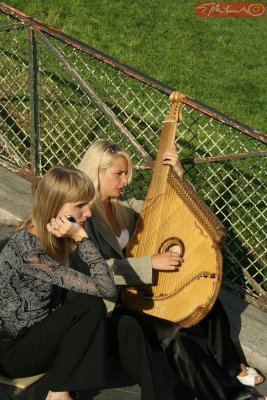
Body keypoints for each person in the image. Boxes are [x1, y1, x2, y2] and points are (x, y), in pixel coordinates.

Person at [77, 139, 266, 400]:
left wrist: (178, 175)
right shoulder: (84, 216)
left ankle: (233, 367)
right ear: (97, 171)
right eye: (119, 174)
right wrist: (151, 263)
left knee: (204, 294)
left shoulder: (123, 207)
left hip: (139, 290)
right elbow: (95, 272)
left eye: (127, 174)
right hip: (113, 304)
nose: (126, 180)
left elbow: (171, 208)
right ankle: (233, 395)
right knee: (173, 334)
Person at [0, 165, 181, 400]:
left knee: (126, 327)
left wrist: (77, 239)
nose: (88, 212)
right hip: (15, 351)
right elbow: (103, 289)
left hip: (48, 335)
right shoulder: (29, 251)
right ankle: (58, 394)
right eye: (80, 206)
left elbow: (103, 283)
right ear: (55, 207)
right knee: (89, 304)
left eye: (88, 204)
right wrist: (81, 237)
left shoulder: (59, 241)